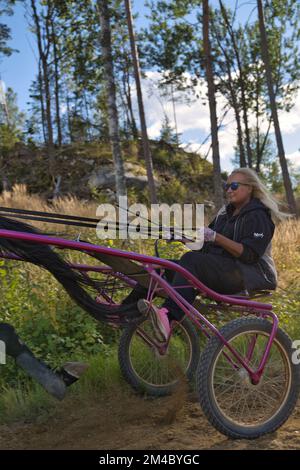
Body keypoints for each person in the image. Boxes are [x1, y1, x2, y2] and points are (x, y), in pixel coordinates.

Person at [137, 167, 289, 343]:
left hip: (247, 275)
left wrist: (217, 237)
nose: (229, 190)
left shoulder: (258, 216)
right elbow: (205, 249)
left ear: (250, 188)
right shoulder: (225, 215)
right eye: (227, 186)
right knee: (159, 266)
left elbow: (249, 255)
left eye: (234, 185)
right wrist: (182, 239)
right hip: (223, 270)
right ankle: (123, 314)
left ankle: (168, 317)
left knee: (189, 261)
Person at [0, 322, 88, 400]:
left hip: (22, 357)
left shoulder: (3, 331)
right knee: (44, 372)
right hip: (24, 354)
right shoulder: (5, 328)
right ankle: (66, 374)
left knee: (49, 380)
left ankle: (66, 378)